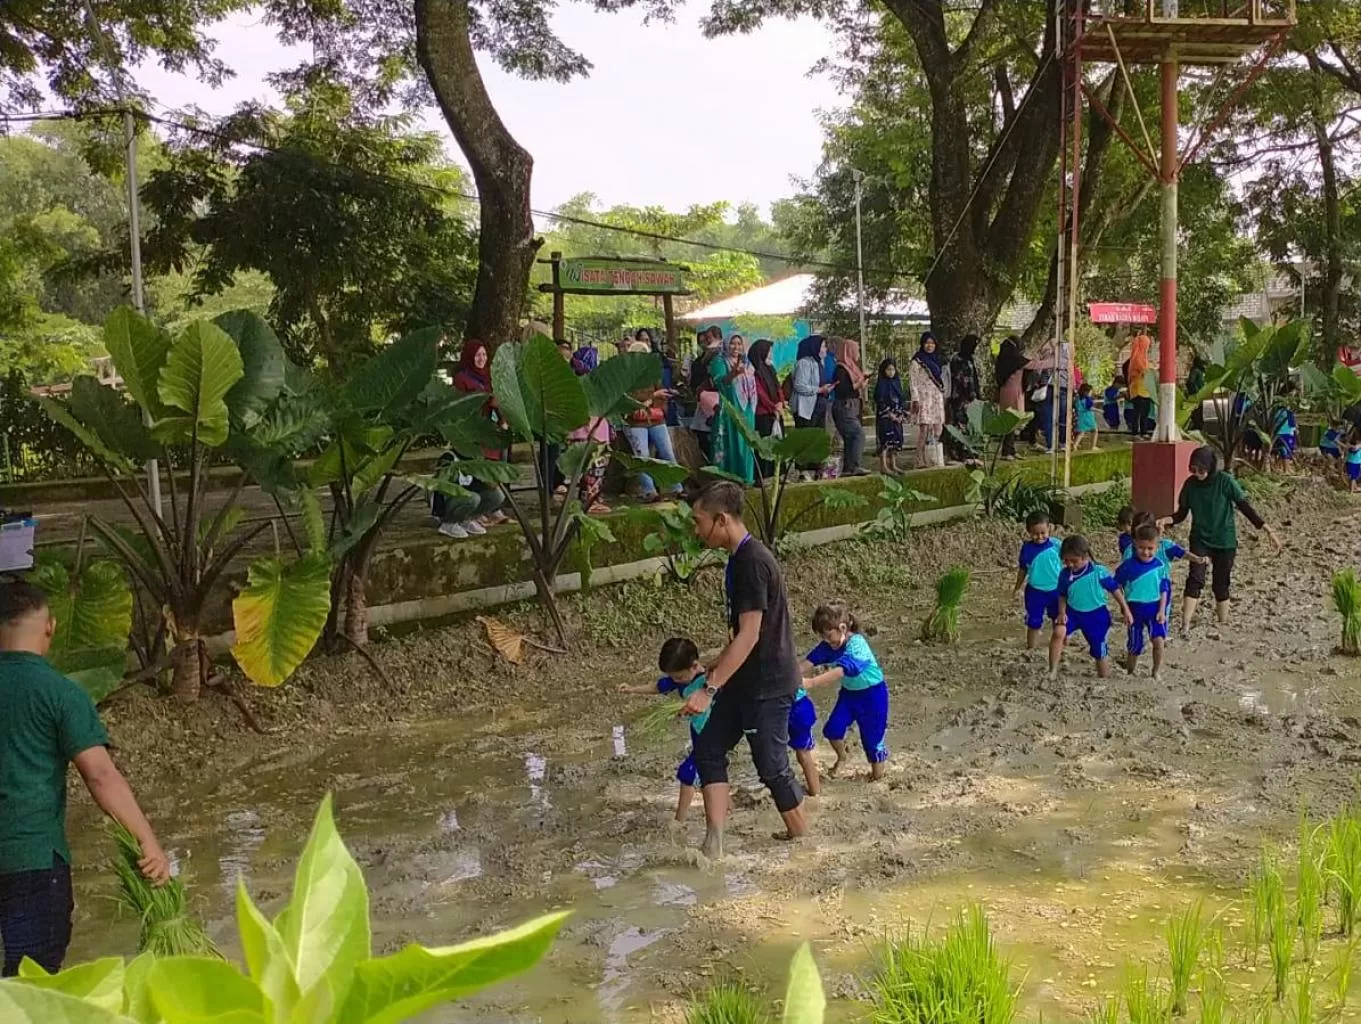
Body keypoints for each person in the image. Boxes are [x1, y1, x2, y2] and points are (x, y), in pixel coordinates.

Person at [0, 580, 170, 976]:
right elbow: (101, 776)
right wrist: (148, 844)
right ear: (50, 628)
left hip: (30, 863)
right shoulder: (60, 694)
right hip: (33, 863)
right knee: (32, 990)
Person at [682, 482, 808, 857]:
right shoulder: (739, 559)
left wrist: (709, 689)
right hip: (742, 680)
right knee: (708, 749)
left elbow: (751, 635)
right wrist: (716, 670)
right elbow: (741, 633)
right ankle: (714, 842)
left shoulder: (752, 562)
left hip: (767, 684)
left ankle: (804, 840)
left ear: (720, 520)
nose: (695, 529)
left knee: (771, 766)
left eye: (697, 521)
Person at [1158, 445, 1282, 632]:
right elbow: (1181, 514)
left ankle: (1222, 624)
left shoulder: (1225, 481)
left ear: (1210, 467)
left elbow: (1245, 507)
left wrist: (1267, 530)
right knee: (1195, 578)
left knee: (1221, 582)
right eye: (1193, 469)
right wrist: (1167, 520)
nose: (1197, 473)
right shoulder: (1190, 485)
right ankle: (1185, 624)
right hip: (1200, 538)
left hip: (1225, 540)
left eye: (1201, 469)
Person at [618, 637, 709, 822]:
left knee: (688, 772)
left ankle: (679, 820)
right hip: (698, 732)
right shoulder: (682, 679)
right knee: (708, 774)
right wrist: (632, 689)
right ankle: (725, 806)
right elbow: (659, 686)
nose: (676, 681)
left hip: (712, 734)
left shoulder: (711, 681)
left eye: (679, 677)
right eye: (673, 677)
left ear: (695, 665)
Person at [798, 601, 889, 781]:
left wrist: (812, 682)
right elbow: (805, 664)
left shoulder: (857, 644)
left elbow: (842, 670)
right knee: (832, 730)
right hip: (849, 695)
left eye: (828, 635)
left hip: (873, 696)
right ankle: (843, 756)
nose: (825, 641)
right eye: (822, 637)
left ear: (842, 628)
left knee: (872, 741)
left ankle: (877, 778)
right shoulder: (827, 646)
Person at [1115, 523, 1205, 679]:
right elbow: (1117, 586)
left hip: (1155, 610)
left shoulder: (1160, 566)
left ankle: (1155, 671)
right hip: (1134, 610)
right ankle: (1130, 671)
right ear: (1135, 545)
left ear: (1157, 547)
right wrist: (1124, 608)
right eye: (1142, 548)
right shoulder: (1127, 567)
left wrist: (1162, 610)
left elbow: (1164, 589)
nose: (1146, 552)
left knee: (1159, 642)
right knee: (1134, 645)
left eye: (1150, 548)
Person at [1050, 534, 1133, 680]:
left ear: (1085, 557)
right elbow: (1062, 595)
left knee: (1099, 651)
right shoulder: (1064, 574)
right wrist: (1061, 613)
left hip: (1097, 616)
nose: (1069, 564)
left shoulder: (1098, 572)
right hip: (1073, 612)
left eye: (1074, 561)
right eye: (1066, 561)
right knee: (1058, 632)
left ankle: (1104, 677)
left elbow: (1115, 590)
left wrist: (1125, 609)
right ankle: (1052, 670)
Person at [451, 338, 510, 527]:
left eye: (484, 355)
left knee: (495, 468)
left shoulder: (488, 377)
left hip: (491, 430)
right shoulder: (462, 378)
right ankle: (476, 510)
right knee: (478, 469)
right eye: (477, 355)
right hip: (472, 432)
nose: (481, 359)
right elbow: (461, 404)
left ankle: (492, 507)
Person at [623, 340, 684, 504]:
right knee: (642, 456)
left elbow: (661, 394)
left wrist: (651, 401)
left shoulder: (653, 374)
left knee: (667, 453)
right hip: (635, 421)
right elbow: (627, 399)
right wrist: (649, 399)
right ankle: (649, 490)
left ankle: (676, 487)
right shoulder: (626, 376)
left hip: (655, 418)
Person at [568, 347, 613, 513]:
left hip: (594, 430)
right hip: (588, 432)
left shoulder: (585, 382)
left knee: (595, 469)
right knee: (590, 469)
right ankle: (590, 501)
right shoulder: (583, 384)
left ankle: (592, 499)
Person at [710, 334, 757, 484]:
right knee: (732, 442)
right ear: (726, 344)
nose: (736, 347)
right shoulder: (719, 361)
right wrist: (734, 373)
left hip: (747, 409)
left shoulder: (747, 363)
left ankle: (747, 479)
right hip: (730, 409)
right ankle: (729, 479)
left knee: (747, 442)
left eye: (739, 344)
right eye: (732, 343)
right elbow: (720, 383)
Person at [1013, 510, 1062, 652]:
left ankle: (1060, 645)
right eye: (1035, 533)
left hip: (1056, 590)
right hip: (1035, 592)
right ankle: (1031, 649)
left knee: (1058, 619)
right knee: (1033, 621)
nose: (1039, 537)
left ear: (1049, 529)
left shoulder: (1057, 545)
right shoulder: (1026, 549)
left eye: (1043, 533)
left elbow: (1071, 562)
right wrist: (1017, 587)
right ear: (1028, 531)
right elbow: (1022, 570)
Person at [432, 451, 506, 540]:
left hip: (468, 497)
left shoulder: (475, 458)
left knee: (497, 496)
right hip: (448, 501)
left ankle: (466, 519)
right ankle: (449, 523)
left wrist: (486, 478)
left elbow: (479, 484)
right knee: (472, 498)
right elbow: (441, 486)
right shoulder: (449, 458)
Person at [830, 337, 868, 476]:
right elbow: (842, 390)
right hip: (844, 406)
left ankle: (848, 468)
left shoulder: (851, 367)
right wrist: (859, 384)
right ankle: (855, 466)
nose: (858, 353)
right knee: (858, 434)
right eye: (856, 350)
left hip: (852, 406)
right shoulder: (841, 369)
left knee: (850, 438)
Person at [909, 332, 947, 468]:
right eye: (927, 343)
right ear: (922, 344)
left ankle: (933, 458)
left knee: (937, 428)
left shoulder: (936, 360)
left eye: (932, 343)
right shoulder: (917, 361)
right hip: (923, 398)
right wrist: (915, 399)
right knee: (924, 429)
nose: (929, 346)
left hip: (935, 397)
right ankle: (919, 460)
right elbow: (912, 382)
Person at [945, 334, 983, 464]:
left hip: (970, 398)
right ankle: (958, 453)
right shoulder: (958, 359)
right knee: (960, 425)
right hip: (960, 398)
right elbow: (961, 379)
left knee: (970, 425)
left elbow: (974, 378)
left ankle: (970, 452)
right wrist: (970, 393)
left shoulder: (970, 358)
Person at [749, 338, 784, 478]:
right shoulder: (754, 371)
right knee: (764, 446)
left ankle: (777, 474)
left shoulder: (770, 368)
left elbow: (778, 387)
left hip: (776, 412)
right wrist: (772, 407)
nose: (771, 354)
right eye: (769, 351)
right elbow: (759, 392)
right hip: (763, 414)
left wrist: (780, 403)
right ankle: (764, 476)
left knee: (777, 444)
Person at [689, 327, 723, 461]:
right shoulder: (703, 359)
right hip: (706, 399)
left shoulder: (717, 355)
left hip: (716, 400)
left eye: (708, 338)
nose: (706, 342)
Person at [995, 336, 1028, 461]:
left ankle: (1012, 450)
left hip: (1017, 393)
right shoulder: (1014, 361)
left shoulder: (1008, 360)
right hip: (1009, 394)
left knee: (1015, 423)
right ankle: (1006, 451)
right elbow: (1033, 364)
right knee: (1009, 422)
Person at [791, 335, 832, 430]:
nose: (825, 349)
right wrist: (819, 390)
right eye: (822, 346)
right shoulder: (804, 363)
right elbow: (799, 385)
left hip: (819, 406)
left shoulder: (819, 362)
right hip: (807, 408)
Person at [874, 356, 907, 475]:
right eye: (888, 369)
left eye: (893, 369)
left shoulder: (897, 382)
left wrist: (901, 414)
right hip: (885, 417)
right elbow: (880, 400)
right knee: (885, 440)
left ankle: (893, 464)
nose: (891, 372)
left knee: (896, 440)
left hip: (897, 416)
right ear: (884, 370)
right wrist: (889, 413)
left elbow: (901, 399)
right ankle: (883, 466)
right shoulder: (881, 384)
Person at [1127, 332, 1154, 438]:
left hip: (1142, 390)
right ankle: (1139, 432)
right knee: (1140, 412)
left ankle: (1141, 431)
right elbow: (1144, 371)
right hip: (1139, 389)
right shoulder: (1137, 359)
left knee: (1142, 412)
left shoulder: (1142, 358)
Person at [1075, 383, 1100, 451]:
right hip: (1088, 417)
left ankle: (1075, 445)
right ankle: (1093, 446)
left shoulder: (1078, 399)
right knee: (1095, 430)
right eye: (1090, 392)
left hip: (1081, 417)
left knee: (1081, 432)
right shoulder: (1087, 399)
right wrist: (1099, 410)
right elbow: (1089, 408)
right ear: (1086, 392)